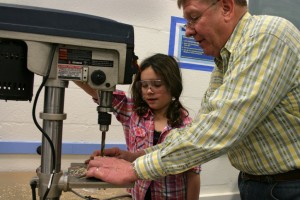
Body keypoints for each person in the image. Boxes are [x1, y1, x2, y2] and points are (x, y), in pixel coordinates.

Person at [86, 0, 300, 199]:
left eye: (194, 18)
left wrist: (136, 169)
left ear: (226, 7)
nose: (187, 31)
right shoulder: (223, 61)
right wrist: (139, 156)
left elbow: (221, 127)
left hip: (288, 185)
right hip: (253, 182)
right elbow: (202, 127)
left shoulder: (268, 35)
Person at [76, 53, 201, 200]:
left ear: (172, 85)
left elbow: (193, 174)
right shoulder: (132, 112)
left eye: (157, 84)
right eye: (144, 85)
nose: (149, 91)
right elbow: (101, 92)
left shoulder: (186, 126)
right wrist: (70, 68)